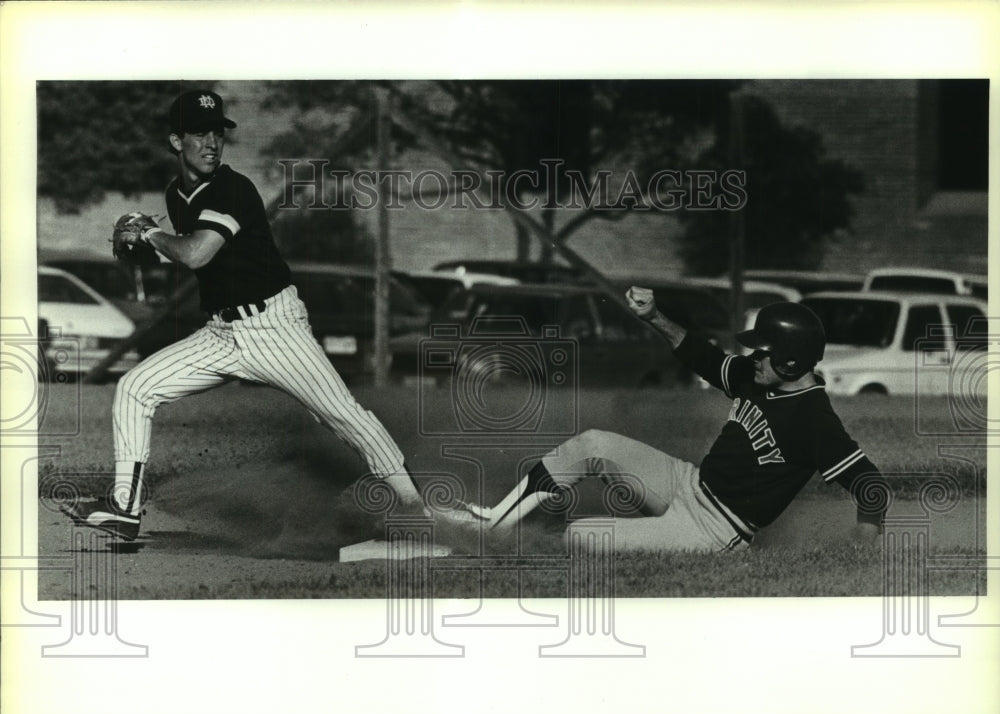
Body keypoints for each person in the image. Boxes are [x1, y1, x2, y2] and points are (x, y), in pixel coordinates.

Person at [62, 89, 475, 541]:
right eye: (199, 133)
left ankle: (418, 510)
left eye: (217, 132)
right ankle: (125, 508)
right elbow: (198, 256)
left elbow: (198, 253)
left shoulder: (233, 188)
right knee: (135, 387)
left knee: (345, 417)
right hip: (221, 333)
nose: (211, 143)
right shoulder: (178, 194)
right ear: (175, 141)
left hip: (274, 329)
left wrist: (151, 235)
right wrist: (148, 250)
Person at [479, 287, 887, 552]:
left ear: (791, 359)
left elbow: (871, 486)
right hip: (686, 482)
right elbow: (703, 356)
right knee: (593, 444)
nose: (754, 357)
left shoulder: (814, 419)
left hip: (712, 530)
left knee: (581, 537)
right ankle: (492, 524)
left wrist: (861, 552)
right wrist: (655, 315)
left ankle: (518, 545)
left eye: (763, 351)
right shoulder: (759, 376)